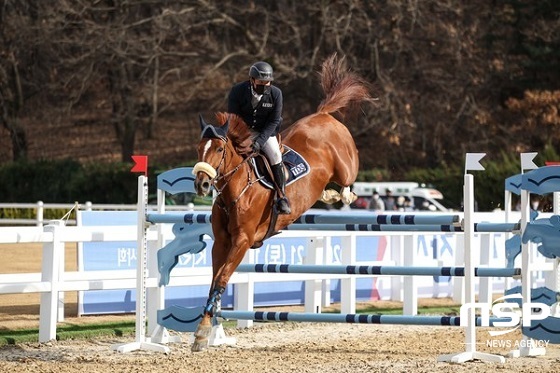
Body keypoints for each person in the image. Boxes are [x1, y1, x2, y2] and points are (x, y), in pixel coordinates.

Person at [228, 61, 290, 214]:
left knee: (275, 155)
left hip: (266, 131)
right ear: (252, 80)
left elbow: (274, 121)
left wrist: (260, 141)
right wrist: (245, 139)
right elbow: (234, 117)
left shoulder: (276, 94)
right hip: (243, 130)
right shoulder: (237, 91)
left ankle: (282, 196)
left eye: (267, 82)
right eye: (261, 82)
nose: (265, 85)